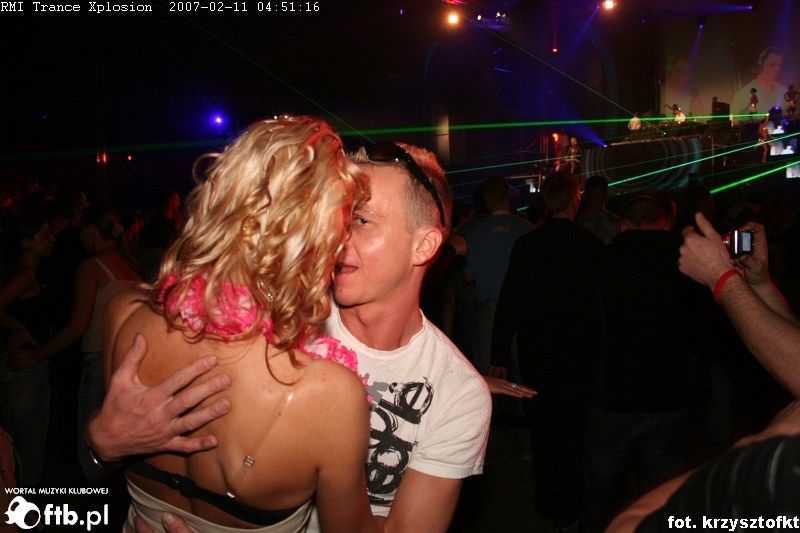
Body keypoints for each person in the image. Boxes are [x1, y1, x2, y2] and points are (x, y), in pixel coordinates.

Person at [90, 139, 515, 532]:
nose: (334, 235)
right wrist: (101, 449)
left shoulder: (458, 394)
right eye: (337, 216)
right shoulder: (266, 318)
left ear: (424, 246)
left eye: (360, 220)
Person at [103, 116, 377, 532]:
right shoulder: (330, 395)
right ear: (318, 238)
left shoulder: (124, 315)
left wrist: (96, 448)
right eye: (343, 227)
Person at [491, 175, 603, 529]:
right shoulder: (590, 245)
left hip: (538, 350)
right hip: (580, 352)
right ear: (575, 201)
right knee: (576, 429)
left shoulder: (528, 245)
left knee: (544, 429)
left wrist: (499, 355)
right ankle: (572, 502)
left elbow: (509, 301)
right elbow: (602, 305)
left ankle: (547, 500)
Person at [583, 196, 699, 531]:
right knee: (661, 496)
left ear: (623, 223)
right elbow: (701, 325)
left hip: (613, 394)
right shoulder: (685, 261)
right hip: (668, 395)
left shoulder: (602, 260)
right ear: (663, 222)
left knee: (602, 498)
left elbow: (585, 327)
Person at [0, 213, 55, 486]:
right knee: (29, 454)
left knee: (18, 454)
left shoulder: (15, 270)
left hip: (15, 368)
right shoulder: (25, 275)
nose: (51, 238)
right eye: (44, 234)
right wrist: (20, 328)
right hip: (24, 372)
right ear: (26, 242)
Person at [461, 176, 531, 374]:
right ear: (508, 196)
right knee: (523, 371)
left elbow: (468, 277)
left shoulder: (474, 231)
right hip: (521, 307)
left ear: (486, 199)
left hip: (489, 309)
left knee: (488, 372)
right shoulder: (526, 229)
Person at [730, 47, 786, 120]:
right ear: (760, 65)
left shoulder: (784, 92)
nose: (777, 69)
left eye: (779, 66)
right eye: (772, 65)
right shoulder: (741, 95)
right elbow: (734, 121)